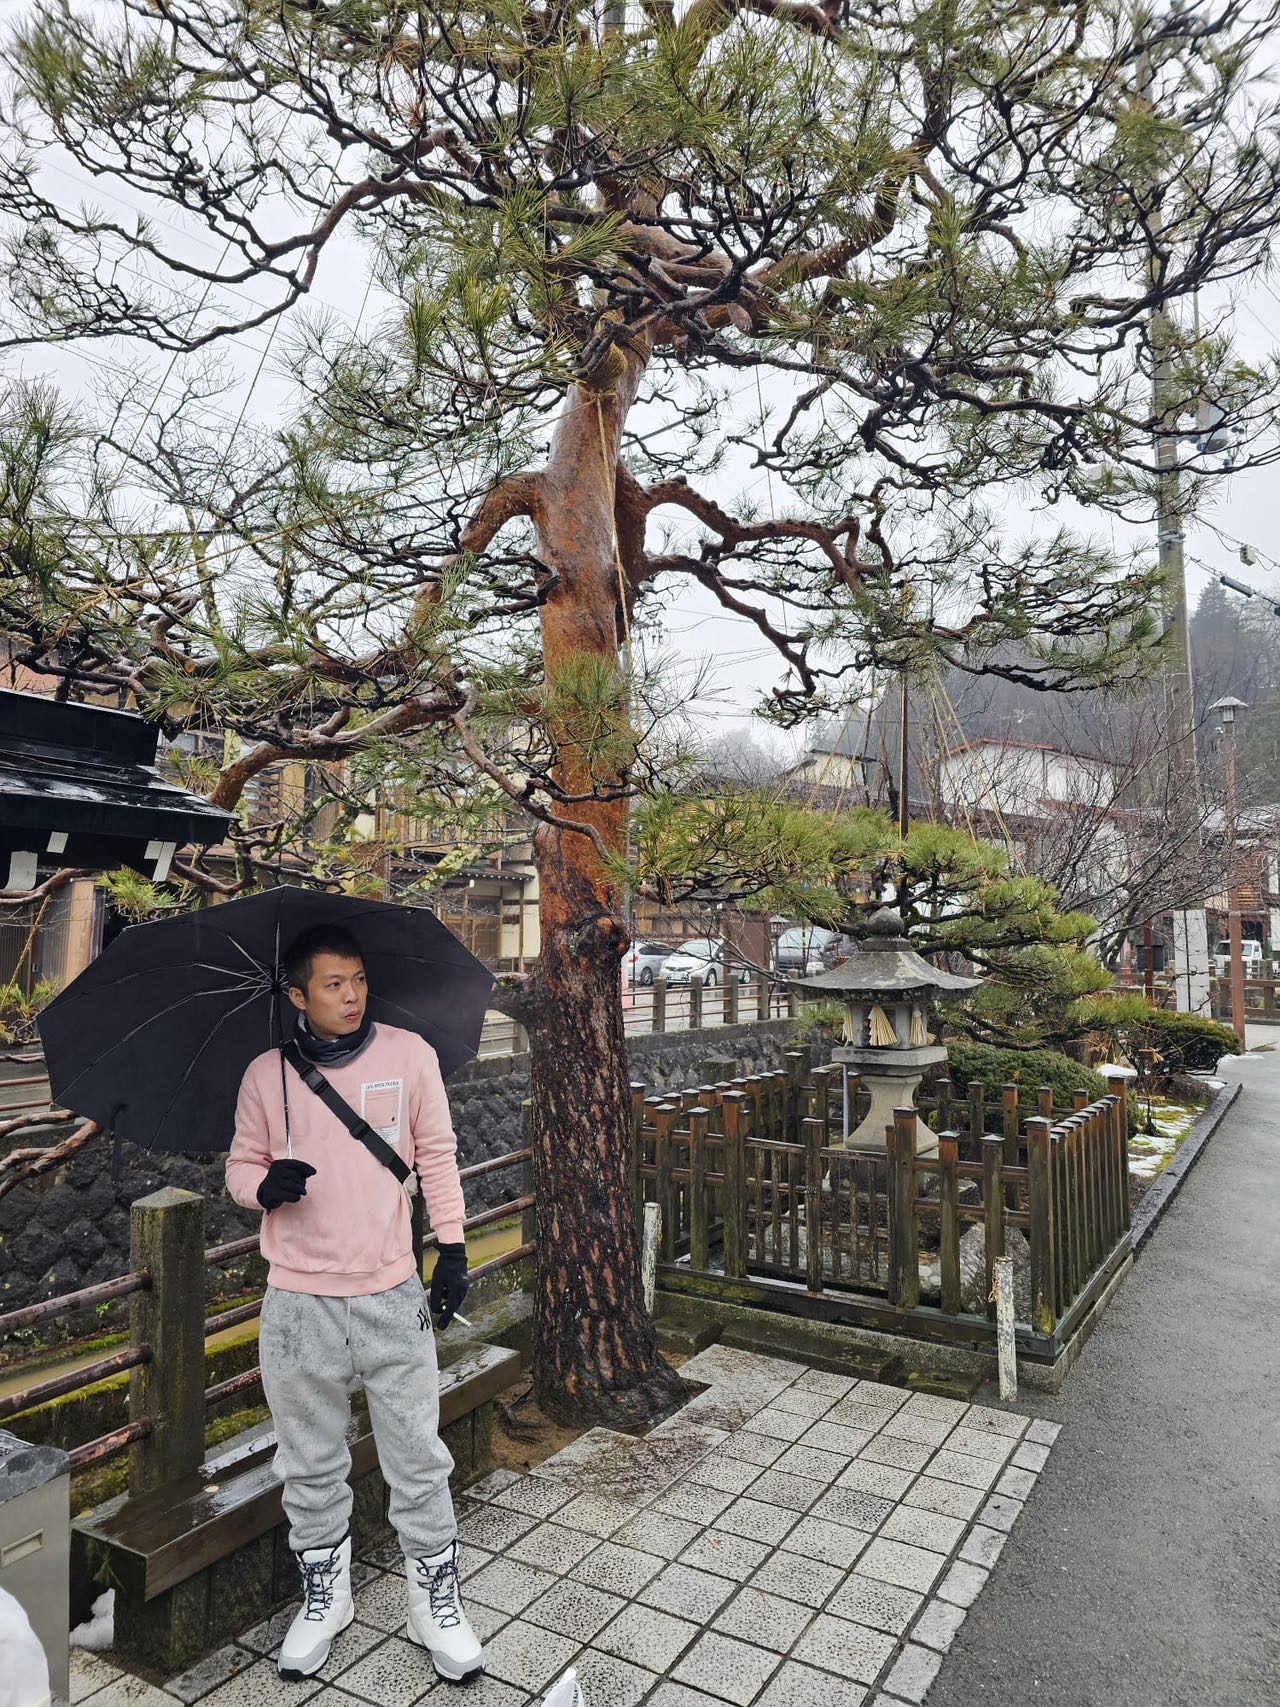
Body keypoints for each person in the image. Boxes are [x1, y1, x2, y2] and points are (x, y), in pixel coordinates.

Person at [225, 923, 484, 1685]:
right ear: (296, 995)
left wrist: (453, 1248)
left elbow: (438, 1153)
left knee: (418, 1455)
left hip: (390, 1291)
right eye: (333, 984)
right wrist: (262, 1186)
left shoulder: (410, 1055)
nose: (352, 995)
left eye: (360, 979)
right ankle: (325, 1595)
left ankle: (434, 1599)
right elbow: (239, 1165)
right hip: (297, 1301)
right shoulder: (266, 1073)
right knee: (308, 1460)